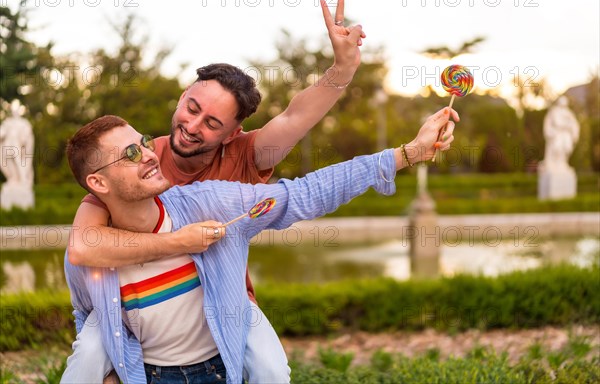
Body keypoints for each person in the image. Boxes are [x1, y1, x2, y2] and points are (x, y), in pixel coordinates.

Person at [61, 0, 366, 384]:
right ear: (182, 95)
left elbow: (295, 116)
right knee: (92, 354)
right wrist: (181, 241)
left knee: (271, 369)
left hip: (223, 293)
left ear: (232, 134)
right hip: (142, 302)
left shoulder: (248, 156)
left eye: (211, 123)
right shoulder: (139, 162)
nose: (192, 125)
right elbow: (84, 245)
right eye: (191, 107)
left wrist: (342, 68)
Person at [64, 108, 458, 383]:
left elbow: (305, 193)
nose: (150, 154)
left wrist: (407, 154)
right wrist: (110, 371)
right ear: (98, 183)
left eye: (144, 142)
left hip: (218, 373)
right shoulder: (90, 255)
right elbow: (88, 315)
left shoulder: (209, 203)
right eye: (131, 154)